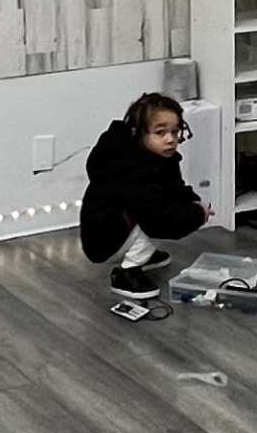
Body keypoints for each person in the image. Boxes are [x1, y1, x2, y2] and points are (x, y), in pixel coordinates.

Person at [77, 91, 235, 307]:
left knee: (154, 211)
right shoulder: (134, 172)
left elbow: (174, 188)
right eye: (160, 133)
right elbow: (160, 221)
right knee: (149, 220)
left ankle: (141, 253)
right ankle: (126, 273)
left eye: (174, 131)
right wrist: (196, 215)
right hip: (104, 239)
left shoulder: (157, 159)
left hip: (115, 227)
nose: (170, 139)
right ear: (139, 133)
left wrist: (192, 201)